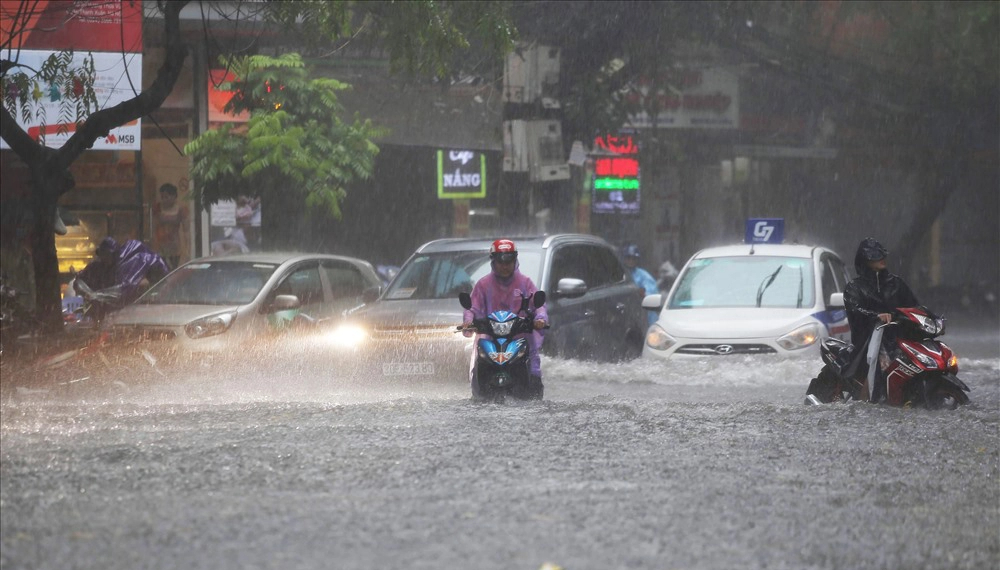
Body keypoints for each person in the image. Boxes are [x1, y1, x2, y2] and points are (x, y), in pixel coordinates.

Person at [462, 238, 549, 399]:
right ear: (493, 262)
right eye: (500, 261)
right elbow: (472, 308)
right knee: (478, 366)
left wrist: (540, 319)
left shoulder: (525, 283)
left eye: (509, 261)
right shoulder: (482, 285)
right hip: (490, 339)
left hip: (520, 339)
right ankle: (479, 394)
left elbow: (539, 305)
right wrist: (468, 322)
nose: (504, 266)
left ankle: (534, 395)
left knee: (533, 368)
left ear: (515, 260)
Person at [842, 237, 920, 402]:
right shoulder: (854, 288)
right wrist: (876, 316)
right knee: (876, 374)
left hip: (899, 340)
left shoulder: (896, 284)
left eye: (882, 255)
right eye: (875, 257)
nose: (881, 259)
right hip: (868, 344)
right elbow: (855, 310)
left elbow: (914, 307)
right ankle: (867, 404)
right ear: (865, 261)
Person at [75, 237, 170, 320]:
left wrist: (98, 295)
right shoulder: (98, 267)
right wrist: (88, 292)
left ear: (114, 254)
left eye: (107, 255)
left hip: (136, 306)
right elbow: (79, 280)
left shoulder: (130, 264)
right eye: (103, 255)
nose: (105, 259)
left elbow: (125, 289)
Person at [152, 183, 189, 270]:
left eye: (167, 197)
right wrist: (154, 245)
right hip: (160, 246)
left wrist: (187, 249)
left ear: (174, 196)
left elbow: (186, 230)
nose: (164, 200)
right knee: (162, 271)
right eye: (162, 197)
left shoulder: (181, 210)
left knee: (173, 270)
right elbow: (153, 228)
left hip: (175, 247)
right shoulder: (157, 208)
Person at [622, 244, 659, 326]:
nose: (631, 261)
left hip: (644, 316)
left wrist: (642, 294)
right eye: (628, 258)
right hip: (627, 315)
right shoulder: (620, 274)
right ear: (624, 259)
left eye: (633, 258)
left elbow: (651, 296)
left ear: (637, 260)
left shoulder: (644, 276)